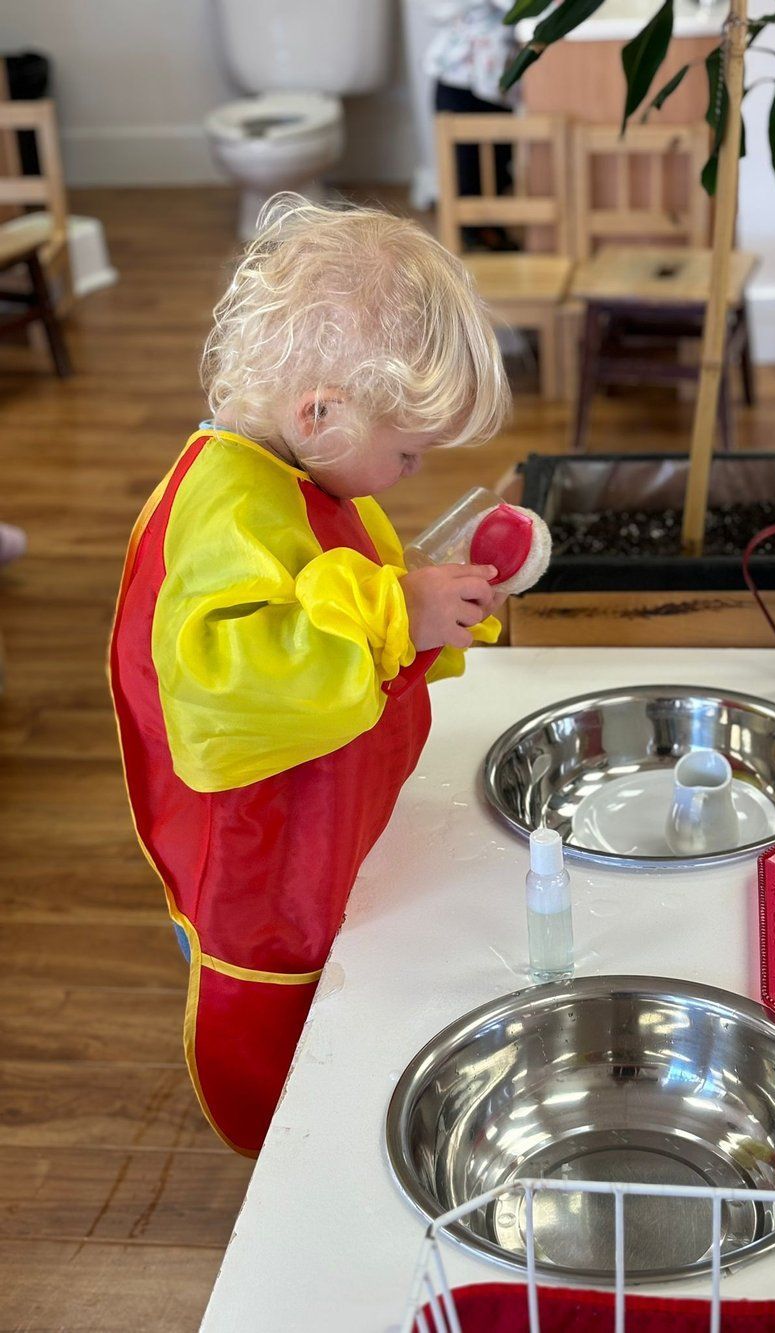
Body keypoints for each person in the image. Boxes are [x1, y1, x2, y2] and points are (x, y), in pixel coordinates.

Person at [108, 197, 511, 1155]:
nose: (411, 471)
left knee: (348, 983)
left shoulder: (307, 472)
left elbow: (350, 603)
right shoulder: (227, 509)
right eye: (408, 451)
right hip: (257, 863)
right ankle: (306, 1165)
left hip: (316, 832)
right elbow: (228, 686)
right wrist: (394, 614)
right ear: (320, 413)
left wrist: (418, 610)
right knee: (287, 1047)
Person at [425, 0, 519, 250]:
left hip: (496, 79)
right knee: (464, 161)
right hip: (457, 75)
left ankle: (488, 227)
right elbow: (436, 9)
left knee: (498, 157)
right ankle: (470, 231)